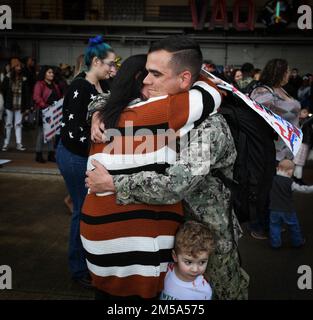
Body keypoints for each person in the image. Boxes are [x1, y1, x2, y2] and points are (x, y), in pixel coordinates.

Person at [85, 35, 249, 300]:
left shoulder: (210, 127)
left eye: (155, 74)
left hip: (206, 241)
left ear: (184, 79)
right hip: (168, 235)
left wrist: (114, 184)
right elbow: (118, 97)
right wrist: (98, 111)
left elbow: (175, 185)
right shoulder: (165, 109)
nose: (146, 81)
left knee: (218, 294)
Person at [56, 35, 115, 288]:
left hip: (86, 155)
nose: (113, 69)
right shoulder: (80, 87)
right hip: (74, 155)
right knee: (82, 211)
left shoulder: (102, 85)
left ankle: (89, 263)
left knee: (88, 209)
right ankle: (79, 268)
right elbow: (73, 133)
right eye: (110, 64)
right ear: (95, 61)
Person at [250, 59, 301, 162]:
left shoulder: (281, 89)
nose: (289, 74)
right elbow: (259, 116)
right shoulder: (263, 92)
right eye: (287, 71)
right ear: (279, 73)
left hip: (287, 149)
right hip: (273, 151)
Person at [160, 220, 214, 300]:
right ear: (175, 256)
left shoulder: (204, 291)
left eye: (202, 262)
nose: (195, 269)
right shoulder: (164, 272)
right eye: (188, 262)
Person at [269, 159, 312, 248]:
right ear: (289, 172)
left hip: (274, 209)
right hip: (287, 209)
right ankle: (298, 242)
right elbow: (302, 189)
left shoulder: (272, 179)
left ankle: (275, 244)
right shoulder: (290, 183)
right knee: (294, 226)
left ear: (278, 169)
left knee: (275, 226)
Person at [33, 65, 62, 162]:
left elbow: (58, 97)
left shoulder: (55, 85)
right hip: (43, 111)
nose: (52, 74)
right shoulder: (39, 84)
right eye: (49, 72)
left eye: (52, 73)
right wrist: (46, 106)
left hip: (53, 112)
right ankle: (38, 154)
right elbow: (36, 97)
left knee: (51, 133)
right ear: (44, 73)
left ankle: (50, 155)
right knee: (42, 133)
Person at [2, 58, 31, 151]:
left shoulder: (24, 79)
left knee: (18, 124)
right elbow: (3, 90)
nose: (19, 68)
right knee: (8, 124)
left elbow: (27, 94)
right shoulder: (7, 77)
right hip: (9, 104)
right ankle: (5, 144)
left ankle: (19, 143)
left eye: (20, 66)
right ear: (13, 67)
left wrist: (27, 106)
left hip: (19, 105)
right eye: (17, 66)